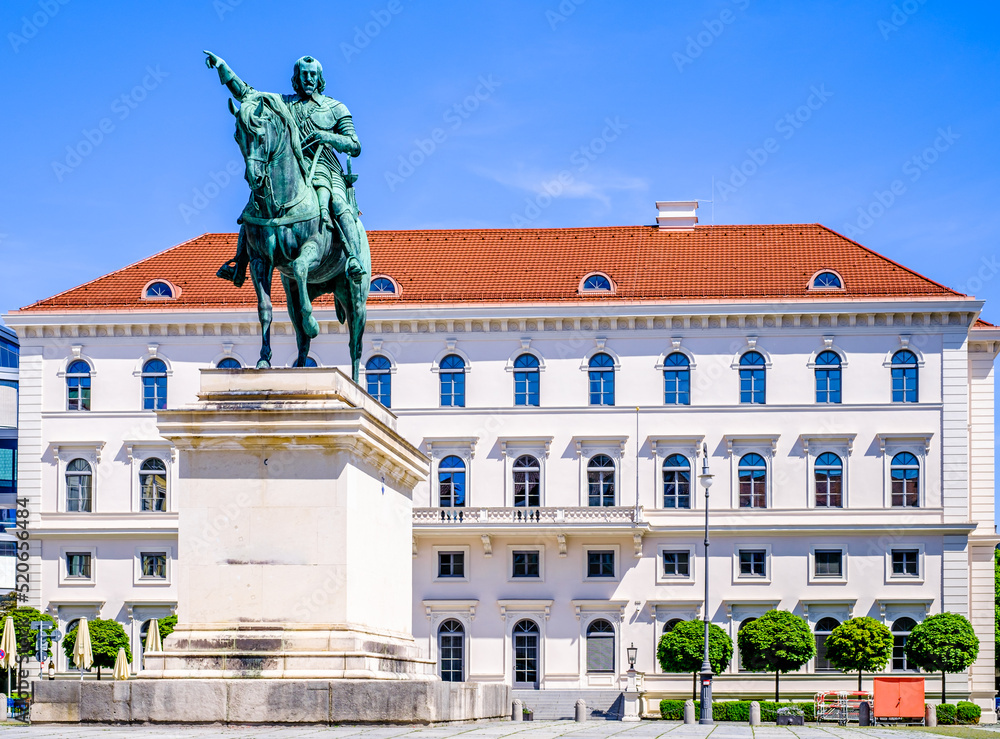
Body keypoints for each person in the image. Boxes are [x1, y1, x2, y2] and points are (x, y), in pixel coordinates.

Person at [205, 51, 365, 285]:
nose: (308, 79)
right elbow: (248, 94)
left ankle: (353, 259)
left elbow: (355, 145)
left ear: (319, 78)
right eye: (303, 74)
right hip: (291, 172)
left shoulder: (335, 107)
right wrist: (223, 68)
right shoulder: (284, 104)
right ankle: (239, 264)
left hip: (325, 168)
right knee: (255, 206)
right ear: (296, 78)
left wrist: (327, 136)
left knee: (338, 203)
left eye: (312, 75)